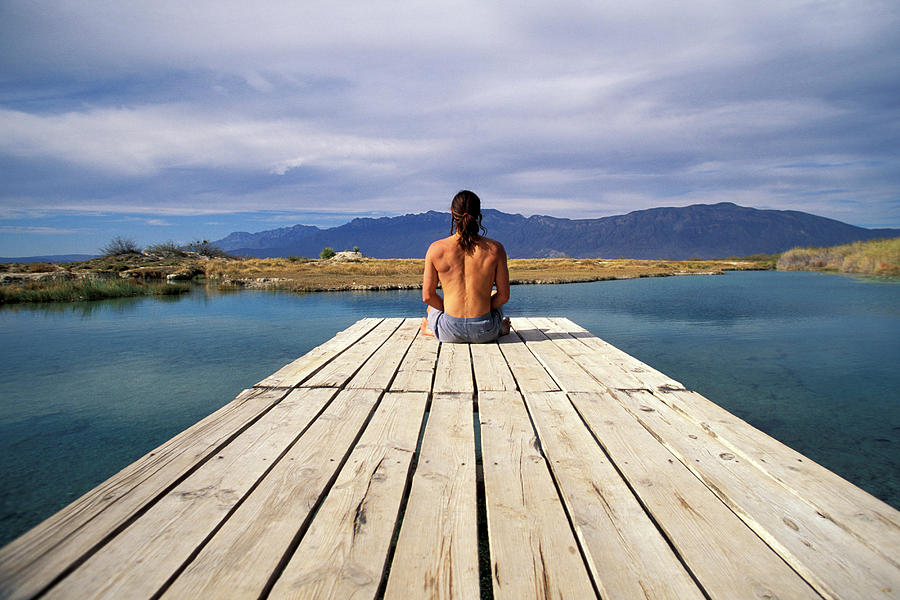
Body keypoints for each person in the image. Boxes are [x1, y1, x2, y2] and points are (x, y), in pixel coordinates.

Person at [420, 190, 511, 343]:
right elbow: (504, 296)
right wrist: (484, 307)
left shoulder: (436, 249)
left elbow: (427, 296)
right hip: (485, 331)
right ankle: (498, 329)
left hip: (449, 330)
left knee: (431, 308)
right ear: (478, 214)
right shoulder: (496, 249)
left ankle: (431, 330)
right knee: (494, 294)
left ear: (452, 213)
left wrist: (449, 309)